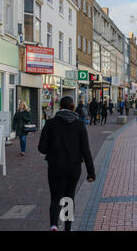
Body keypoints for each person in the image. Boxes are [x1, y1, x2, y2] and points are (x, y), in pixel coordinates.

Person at [38, 96, 95, 232]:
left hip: (55, 166)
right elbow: (85, 150)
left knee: (55, 196)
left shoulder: (50, 124)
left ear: (60, 106)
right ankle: (67, 228)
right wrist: (91, 172)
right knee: (69, 197)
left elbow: (42, 148)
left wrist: (54, 147)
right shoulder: (79, 124)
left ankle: (54, 224)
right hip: (73, 166)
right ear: (73, 106)